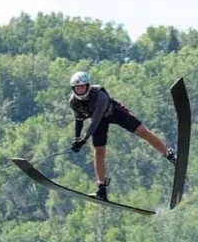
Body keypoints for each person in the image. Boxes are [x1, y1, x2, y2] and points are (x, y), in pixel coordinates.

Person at [69, 70, 176, 201]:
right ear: (73, 88)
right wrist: (76, 140)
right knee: (98, 151)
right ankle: (101, 189)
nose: (80, 90)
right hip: (100, 122)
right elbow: (78, 121)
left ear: (88, 86)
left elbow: (95, 120)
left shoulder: (99, 96)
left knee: (143, 132)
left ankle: (169, 154)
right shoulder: (74, 102)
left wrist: (83, 139)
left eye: (82, 86)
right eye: (77, 87)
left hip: (114, 112)